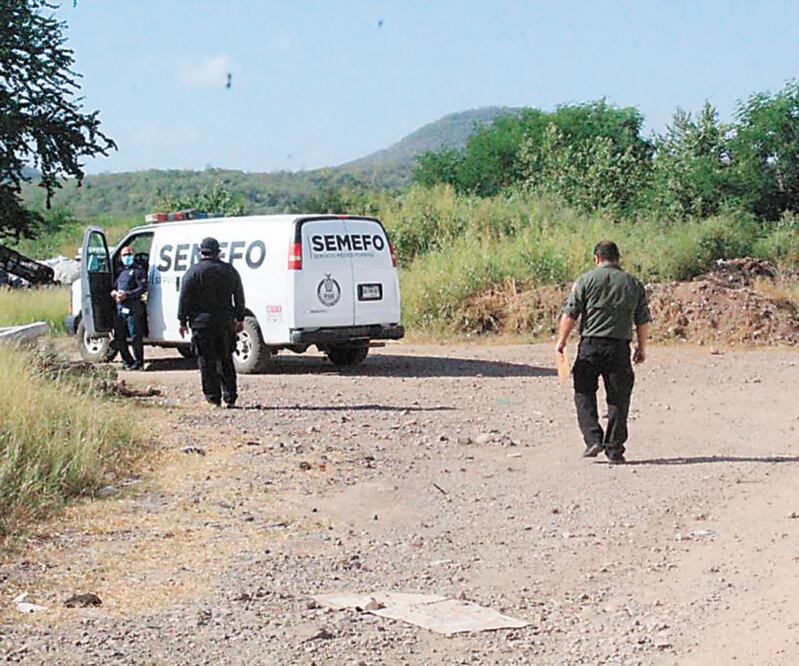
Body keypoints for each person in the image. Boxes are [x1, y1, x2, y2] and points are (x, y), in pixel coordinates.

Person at [555, 241, 651, 463]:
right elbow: (643, 320)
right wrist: (641, 347)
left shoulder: (585, 280)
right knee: (619, 398)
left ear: (596, 258)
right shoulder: (633, 283)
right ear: (618, 258)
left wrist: (561, 341)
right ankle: (615, 449)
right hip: (619, 347)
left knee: (583, 391)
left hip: (591, 345)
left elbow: (570, 314)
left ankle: (593, 438)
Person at [177, 237, 245, 407]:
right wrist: (240, 318)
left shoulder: (193, 272)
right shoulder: (229, 271)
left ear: (201, 252)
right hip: (225, 323)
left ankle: (213, 398)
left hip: (201, 324)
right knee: (226, 359)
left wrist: (182, 321)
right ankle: (230, 396)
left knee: (206, 362)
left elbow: (184, 298)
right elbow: (239, 296)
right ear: (218, 252)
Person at [111, 245, 147, 370]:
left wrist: (128, 295)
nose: (126, 257)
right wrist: (114, 293)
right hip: (120, 309)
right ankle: (127, 361)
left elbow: (142, 288)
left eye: (128, 254)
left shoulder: (138, 271)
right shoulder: (121, 272)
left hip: (133, 308)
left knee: (135, 336)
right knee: (119, 337)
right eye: (124, 255)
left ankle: (139, 362)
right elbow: (114, 287)